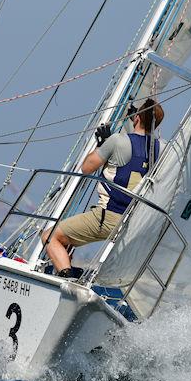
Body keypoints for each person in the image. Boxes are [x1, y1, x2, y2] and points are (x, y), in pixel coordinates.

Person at [42, 98, 164, 277]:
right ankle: (66, 268)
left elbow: (86, 168)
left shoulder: (116, 141)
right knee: (67, 238)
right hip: (134, 222)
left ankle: (66, 276)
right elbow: (138, 151)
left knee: (50, 236)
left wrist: (103, 145)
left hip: (107, 217)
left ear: (136, 118)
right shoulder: (161, 148)